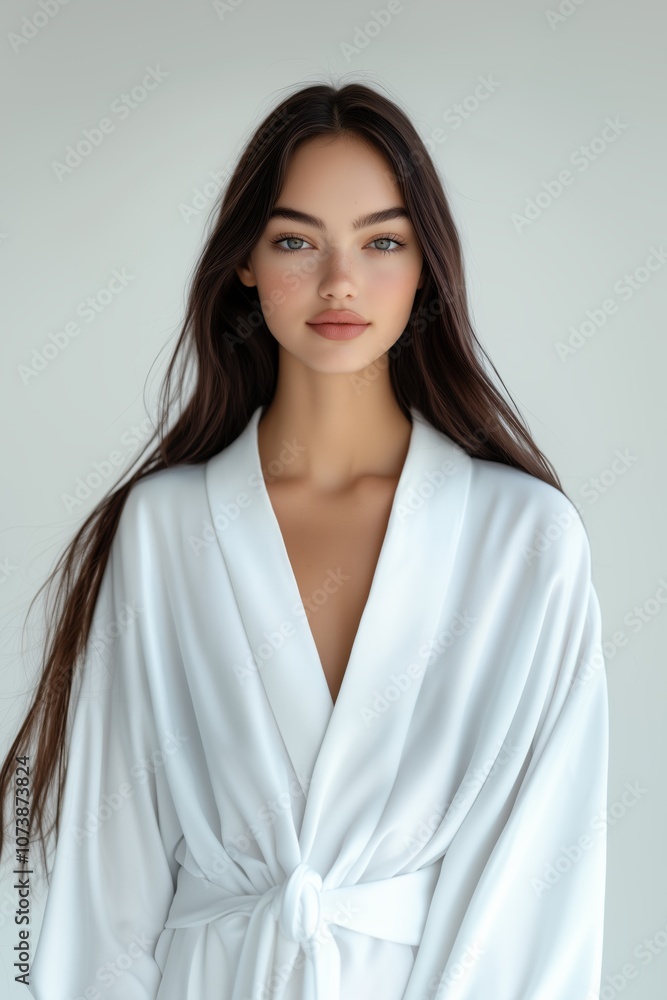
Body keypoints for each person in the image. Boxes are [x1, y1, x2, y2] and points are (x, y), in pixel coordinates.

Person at [1, 80, 609, 1000]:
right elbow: (101, 874)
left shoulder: (525, 542)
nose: (338, 282)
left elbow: (539, 890)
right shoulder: (164, 532)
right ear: (244, 261)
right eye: (295, 241)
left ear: (425, 267)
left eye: (382, 242)